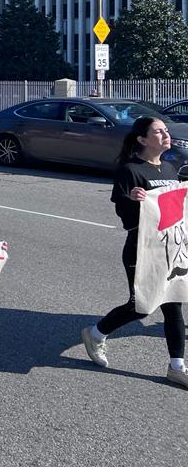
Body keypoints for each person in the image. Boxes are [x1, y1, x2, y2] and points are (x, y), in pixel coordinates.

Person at [81, 116, 188, 388]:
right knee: (141, 307)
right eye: (159, 131)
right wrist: (132, 200)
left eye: (166, 130)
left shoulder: (169, 167)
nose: (166, 135)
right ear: (142, 139)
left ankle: (176, 367)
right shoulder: (130, 170)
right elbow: (126, 217)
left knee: (173, 305)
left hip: (170, 248)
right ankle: (95, 334)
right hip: (141, 249)